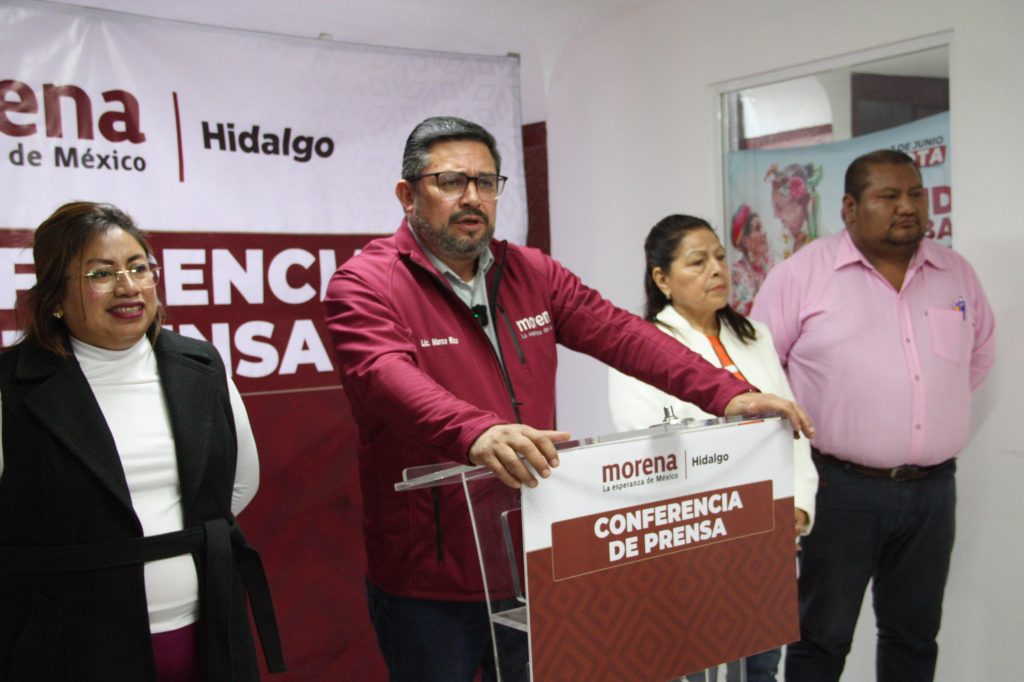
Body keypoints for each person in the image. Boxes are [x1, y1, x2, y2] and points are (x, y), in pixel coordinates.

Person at [323, 116, 815, 682]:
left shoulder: (531, 272)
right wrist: (476, 432)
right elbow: (384, 376)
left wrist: (729, 395)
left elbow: (624, 335)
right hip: (429, 579)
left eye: (486, 182)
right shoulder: (365, 284)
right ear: (408, 195)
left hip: (534, 560)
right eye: (451, 182)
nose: (473, 198)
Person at [0, 202, 285, 681]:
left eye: (138, 268)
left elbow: (237, 486)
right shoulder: (12, 386)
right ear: (54, 297)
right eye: (101, 273)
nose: (128, 286)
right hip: (69, 644)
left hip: (207, 630)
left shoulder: (201, 365)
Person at [751, 150, 995, 682]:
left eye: (915, 194)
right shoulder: (801, 277)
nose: (907, 206)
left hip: (932, 492)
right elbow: (760, 380)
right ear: (849, 207)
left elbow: (975, 360)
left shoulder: (955, 274)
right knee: (823, 637)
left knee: (915, 637)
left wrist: (915, 418)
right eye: (888, 196)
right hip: (839, 489)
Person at [608, 214, 818, 682]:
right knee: (694, 669)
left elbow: (793, 427)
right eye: (698, 262)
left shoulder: (755, 336)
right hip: (694, 540)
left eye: (720, 257)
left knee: (762, 668)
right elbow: (649, 448)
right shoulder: (638, 347)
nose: (717, 270)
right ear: (662, 279)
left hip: (767, 538)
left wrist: (799, 507)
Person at [764, 162, 822, 258]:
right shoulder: (778, 242)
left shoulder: (824, 237)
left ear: (803, 201)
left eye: (779, 207)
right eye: (774, 208)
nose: (775, 215)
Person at [729, 204, 773, 315]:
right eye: (758, 229)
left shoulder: (768, 262)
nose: (764, 233)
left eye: (762, 227)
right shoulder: (738, 271)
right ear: (745, 241)